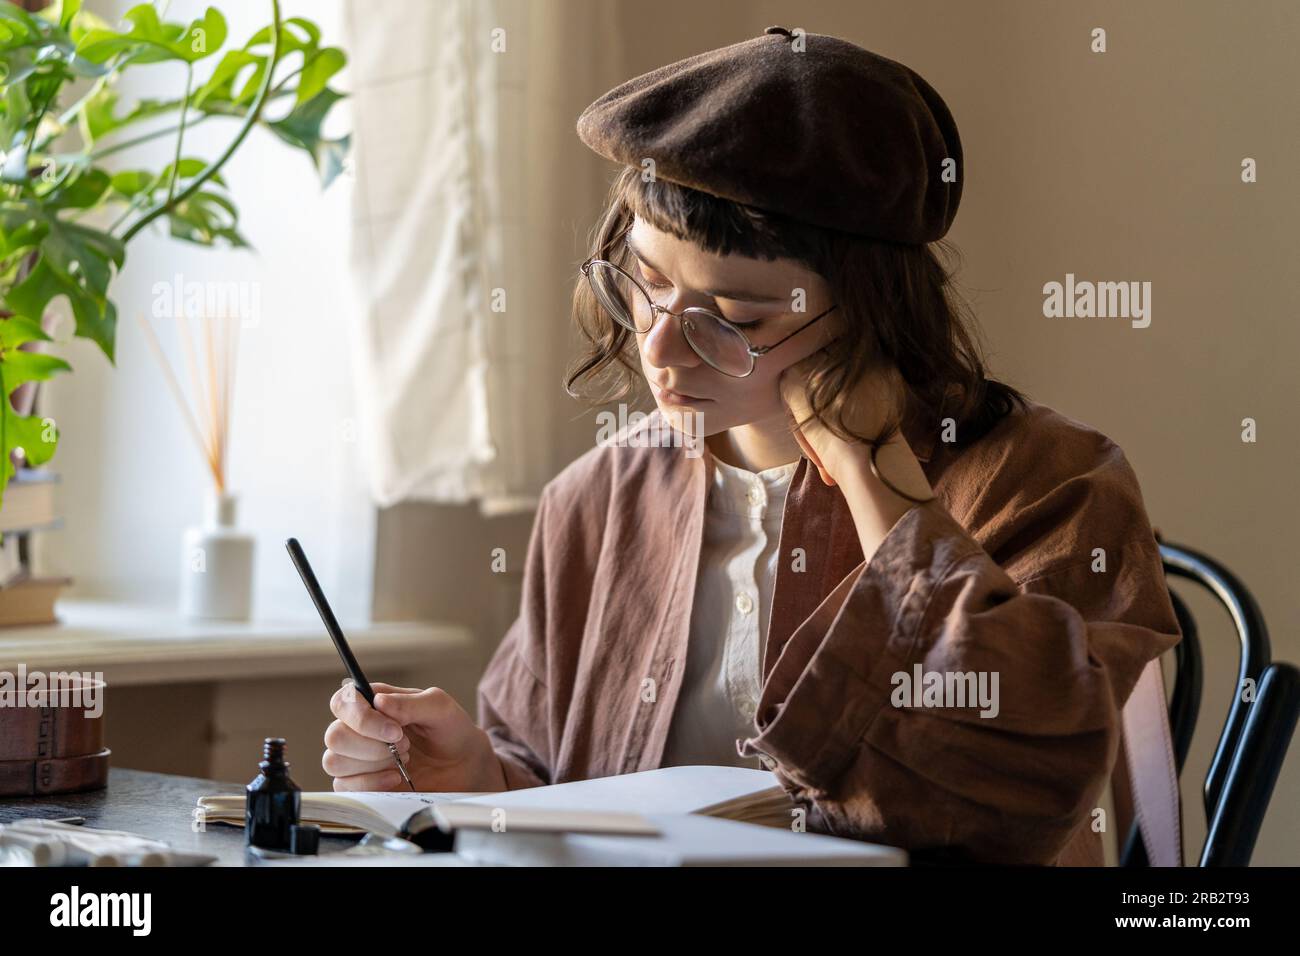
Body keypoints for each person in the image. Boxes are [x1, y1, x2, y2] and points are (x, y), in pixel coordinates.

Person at [322, 26, 1182, 865]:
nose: (657, 349)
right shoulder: (597, 495)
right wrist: (476, 778)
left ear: (875, 312)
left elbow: (1013, 792)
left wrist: (873, 476)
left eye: (736, 319)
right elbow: (558, 786)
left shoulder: (1049, 484)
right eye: (646, 284)